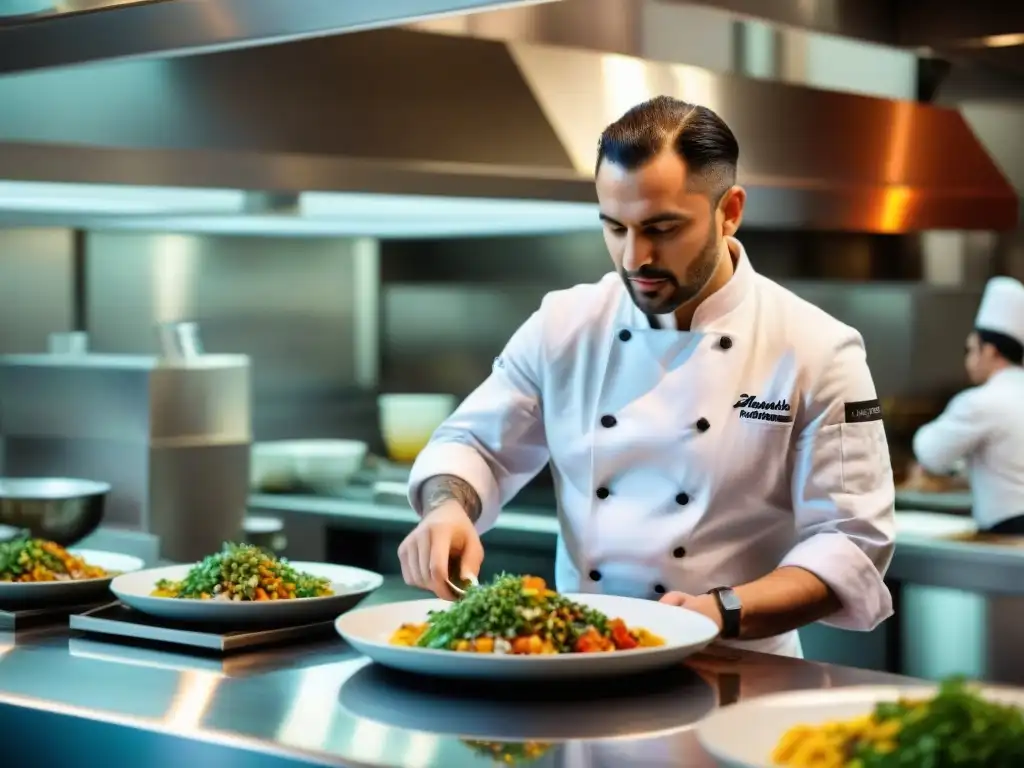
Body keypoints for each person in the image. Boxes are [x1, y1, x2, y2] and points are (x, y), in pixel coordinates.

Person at [397, 96, 896, 657]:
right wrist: (447, 508)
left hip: (739, 669)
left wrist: (722, 611)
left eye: (662, 228)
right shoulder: (565, 323)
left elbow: (850, 540)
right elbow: (474, 446)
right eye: (615, 227)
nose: (635, 257)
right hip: (582, 664)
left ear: (729, 211)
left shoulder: (817, 348)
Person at [912, 276, 1024, 535]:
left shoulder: (981, 401)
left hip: (1008, 534)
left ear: (991, 351)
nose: (969, 360)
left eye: (972, 350)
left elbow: (930, 453)